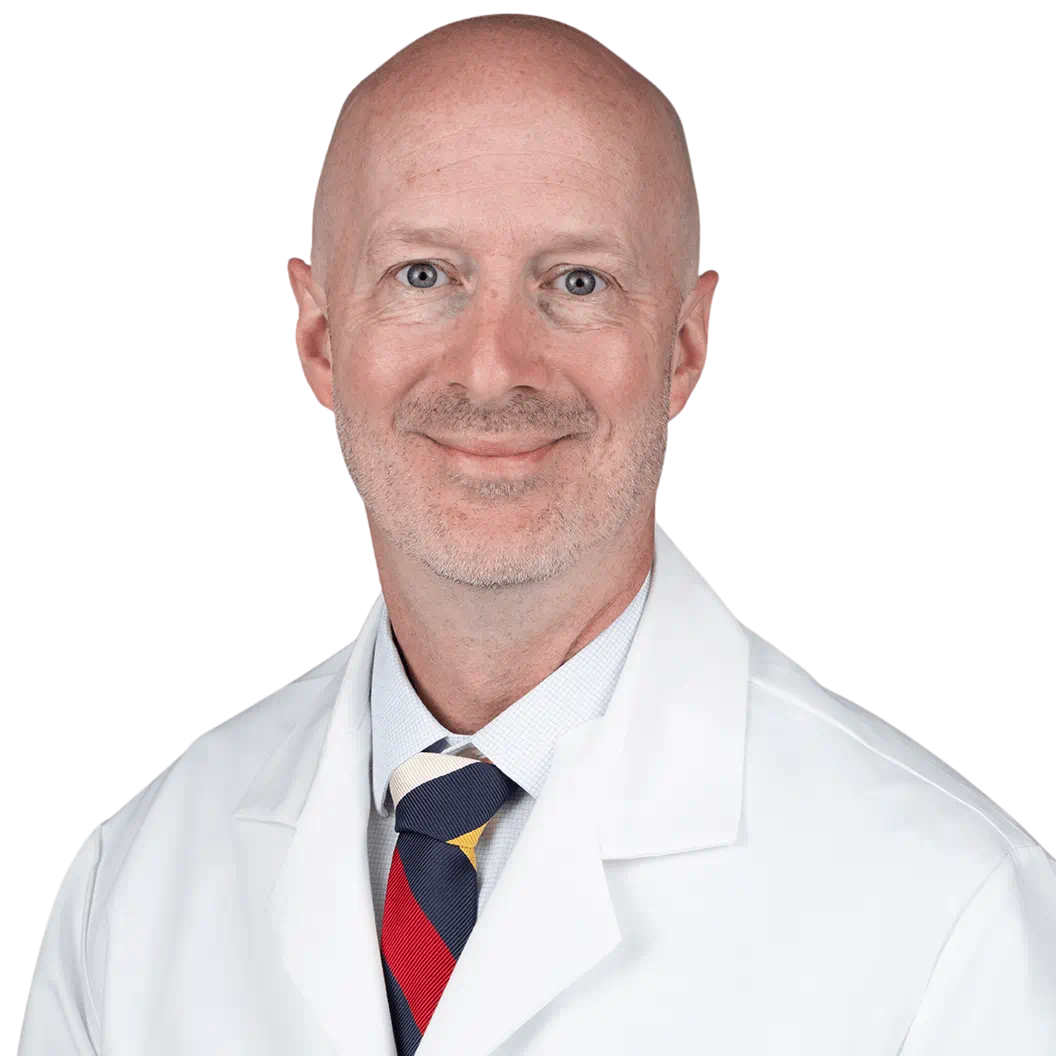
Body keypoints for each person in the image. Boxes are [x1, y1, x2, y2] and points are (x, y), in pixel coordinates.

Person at [18, 13, 1054, 1056]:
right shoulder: (136, 883)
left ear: (685, 346)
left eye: (577, 282)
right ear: (321, 339)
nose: (493, 369)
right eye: (424, 276)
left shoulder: (951, 919)